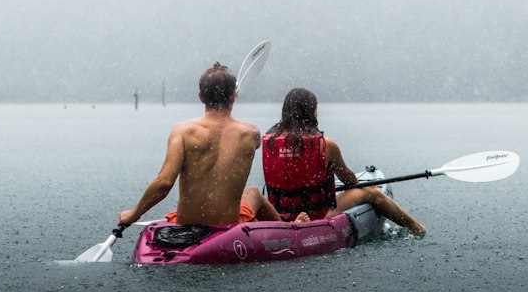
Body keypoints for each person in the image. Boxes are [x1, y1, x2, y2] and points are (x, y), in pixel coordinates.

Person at [117, 61, 283, 229]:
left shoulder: (182, 132)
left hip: (187, 224)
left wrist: (134, 214)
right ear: (233, 95)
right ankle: (287, 232)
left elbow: (164, 182)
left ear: (201, 97)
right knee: (253, 192)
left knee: (248, 192)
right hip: (226, 226)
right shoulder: (251, 134)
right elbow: (250, 146)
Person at [261, 87, 427, 234]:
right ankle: (416, 227)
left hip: (279, 213)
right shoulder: (325, 145)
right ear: (312, 111)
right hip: (317, 214)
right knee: (372, 192)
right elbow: (350, 181)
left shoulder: (268, 142)